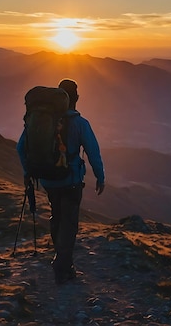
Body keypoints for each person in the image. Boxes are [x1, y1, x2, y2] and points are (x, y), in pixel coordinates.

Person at [17, 78, 105, 285]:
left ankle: (60, 257)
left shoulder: (41, 121)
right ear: (76, 98)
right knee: (69, 221)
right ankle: (63, 266)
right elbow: (93, 152)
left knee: (56, 215)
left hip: (48, 179)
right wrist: (100, 176)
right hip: (71, 179)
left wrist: (28, 170)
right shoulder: (80, 124)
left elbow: (21, 148)